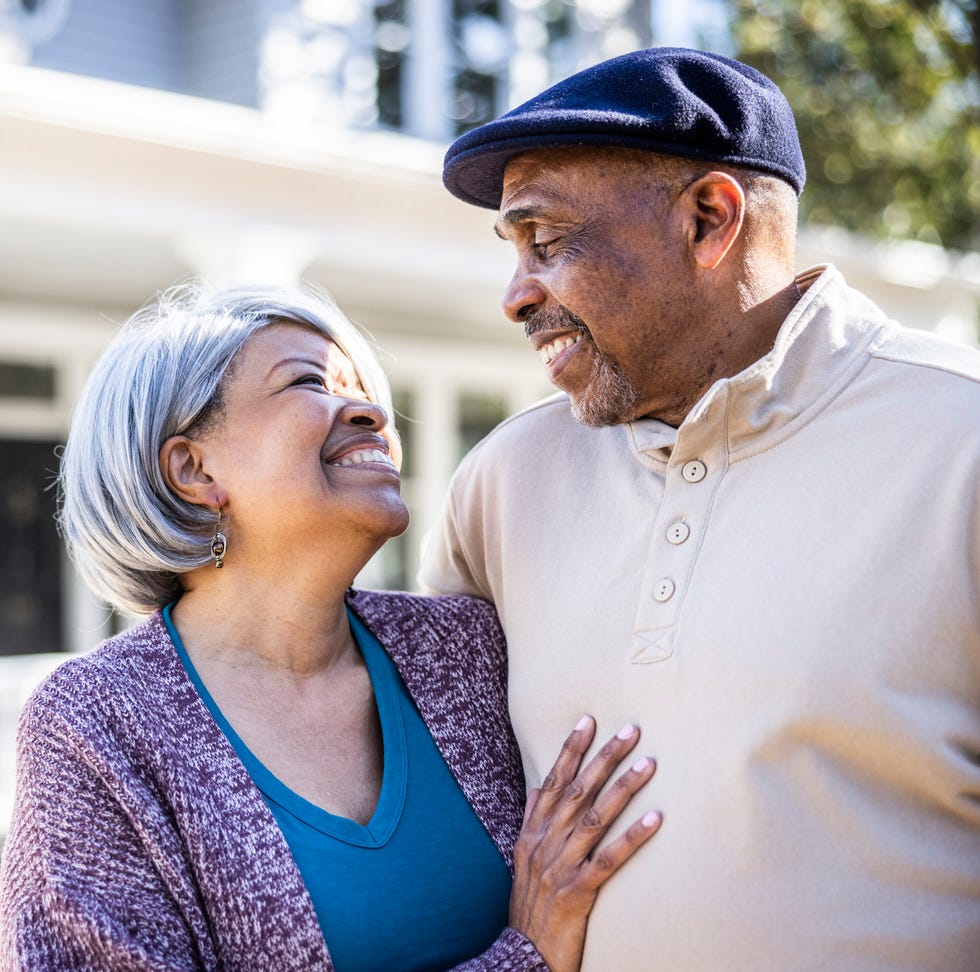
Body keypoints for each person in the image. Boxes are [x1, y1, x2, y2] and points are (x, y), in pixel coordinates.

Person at [420, 46, 980, 970]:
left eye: (547, 241)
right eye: (512, 251)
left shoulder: (959, 438)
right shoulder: (502, 482)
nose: (516, 295)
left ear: (709, 219)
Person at [0, 284, 662, 971]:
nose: (374, 412)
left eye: (365, 388)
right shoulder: (96, 724)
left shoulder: (464, 651)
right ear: (193, 469)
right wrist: (526, 957)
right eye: (310, 381)